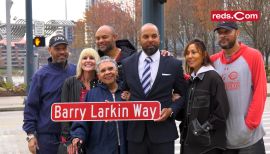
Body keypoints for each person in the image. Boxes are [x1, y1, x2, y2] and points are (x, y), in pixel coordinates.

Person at [121, 23, 187, 154]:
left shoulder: (173, 64)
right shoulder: (127, 64)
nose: (150, 39)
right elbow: (124, 91)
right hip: (135, 135)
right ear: (139, 39)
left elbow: (183, 95)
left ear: (159, 38)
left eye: (154, 36)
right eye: (146, 36)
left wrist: (171, 110)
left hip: (163, 133)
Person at [211, 22, 267, 153]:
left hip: (249, 139)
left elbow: (261, 92)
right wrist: (165, 58)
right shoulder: (213, 61)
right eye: (220, 33)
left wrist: (249, 125)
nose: (223, 36)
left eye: (227, 32)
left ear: (237, 33)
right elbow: (193, 76)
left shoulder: (253, 56)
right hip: (224, 141)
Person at [23, 34, 76, 154]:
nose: (62, 52)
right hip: (47, 138)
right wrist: (31, 135)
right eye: (58, 49)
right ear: (49, 50)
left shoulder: (76, 71)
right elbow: (31, 106)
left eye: (64, 48)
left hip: (72, 135)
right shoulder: (40, 75)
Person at [69, 56, 127, 154]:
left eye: (110, 69)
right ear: (99, 76)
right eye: (103, 71)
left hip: (126, 148)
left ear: (116, 71)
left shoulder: (127, 91)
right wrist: (77, 136)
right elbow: (82, 120)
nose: (107, 72)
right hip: (100, 148)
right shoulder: (92, 95)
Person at [180, 39, 229, 154]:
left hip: (208, 146)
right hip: (189, 143)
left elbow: (222, 112)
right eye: (187, 53)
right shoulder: (191, 81)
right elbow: (185, 114)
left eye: (194, 52)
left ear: (204, 54)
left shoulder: (213, 78)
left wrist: (201, 129)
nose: (190, 56)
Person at [58, 48, 100, 153]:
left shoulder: (101, 84)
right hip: (73, 138)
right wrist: (69, 140)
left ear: (97, 62)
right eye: (84, 58)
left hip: (96, 138)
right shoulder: (69, 82)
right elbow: (64, 115)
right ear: (80, 62)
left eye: (92, 58)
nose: (88, 60)